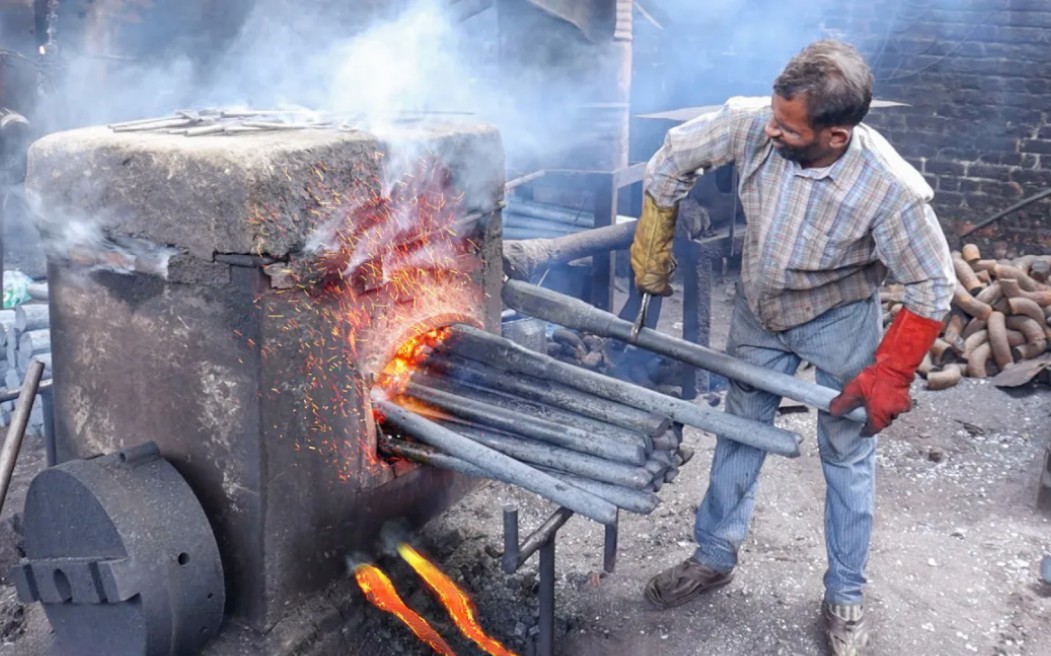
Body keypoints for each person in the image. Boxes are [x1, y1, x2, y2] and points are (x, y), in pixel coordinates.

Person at [628, 40, 954, 655]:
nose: (770, 131)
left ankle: (846, 596)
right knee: (741, 430)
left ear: (835, 135)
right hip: (759, 308)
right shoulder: (756, 123)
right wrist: (653, 241)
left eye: (788, 127)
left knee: (848, 455)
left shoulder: (888, 188)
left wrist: (892, 371)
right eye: (773, 116)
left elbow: (933, 285)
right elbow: (673, 159)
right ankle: (714, 555)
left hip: (839, 320)